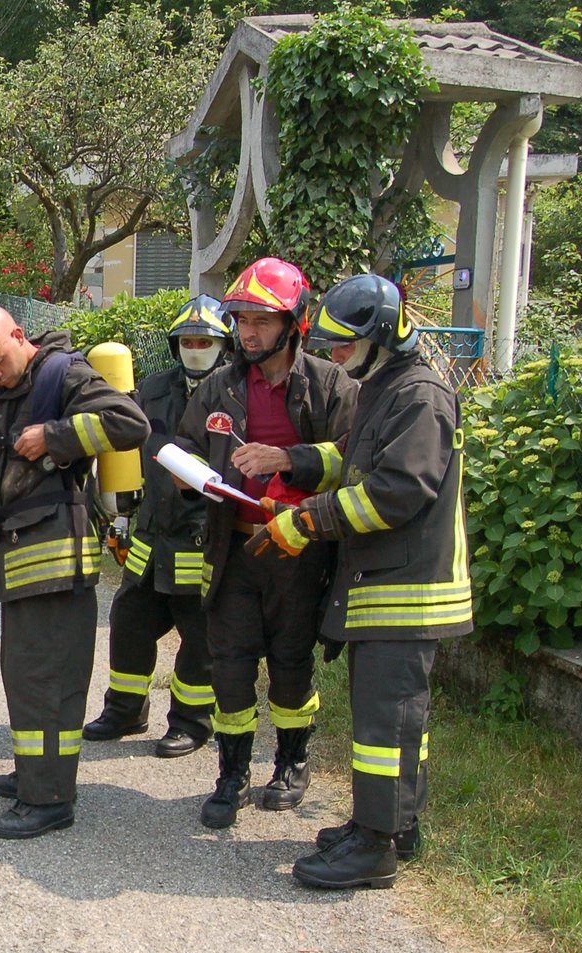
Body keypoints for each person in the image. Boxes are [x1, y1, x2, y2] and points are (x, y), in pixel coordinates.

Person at [246, 274, 471, 888]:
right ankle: (394, 824)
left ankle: (375, 848)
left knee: (385, 726)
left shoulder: (420, 395)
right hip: (385, 584)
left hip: (406, 590)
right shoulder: (385, 388)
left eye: (345, 345)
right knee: (396, 724)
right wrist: (291, 464)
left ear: (380, 336)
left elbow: (397, 491)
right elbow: (349, 456)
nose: (335, 356)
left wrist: (308, 520)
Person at [173, 257, 358, 829]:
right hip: (234, 548)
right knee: (228, 663)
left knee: (289, 662)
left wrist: (290, 460)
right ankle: (232, 773)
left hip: (299, 551)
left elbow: (355, 462)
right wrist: (194, 474)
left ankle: (291, 761)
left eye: (261, 320)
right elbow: (186, 447)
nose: (247, 332)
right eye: (240, 319)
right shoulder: (220, 388)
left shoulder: (331, 385)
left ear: (294, 321)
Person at [0, 304, 149, 839]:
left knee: (44, 680)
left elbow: (130, 423)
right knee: (26, 678)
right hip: (25, 558)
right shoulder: (14, 388)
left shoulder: (63, 373)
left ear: (19, 335)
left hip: (56, 561)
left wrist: (56, 436)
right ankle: (36, 775)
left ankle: (49, 800)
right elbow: (14, 468)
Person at [83, 295, 230, 757]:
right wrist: (118, 513)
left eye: (204, 340)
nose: (194, 348)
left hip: (202, 541)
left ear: (223, 345)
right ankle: (125, 709)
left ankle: (190, 721)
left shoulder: (237, 393)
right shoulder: (154, 388)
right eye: (187, 340)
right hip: (150, 536)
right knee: (128, 621)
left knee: (199, 637)